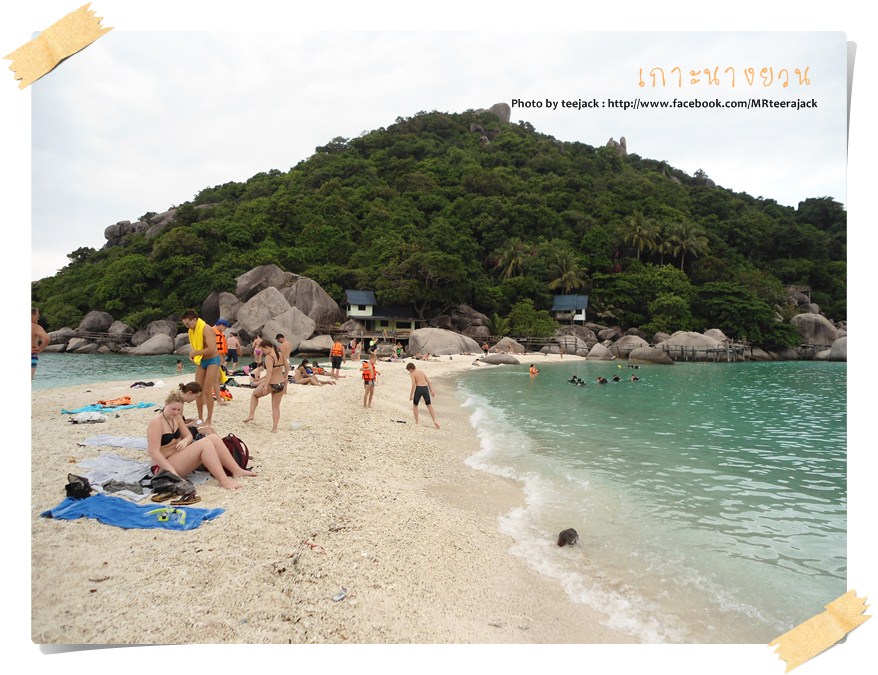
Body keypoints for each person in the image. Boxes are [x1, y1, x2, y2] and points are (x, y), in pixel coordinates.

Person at [147, 391, 255, 491]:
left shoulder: (177, 418)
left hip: (179, 458)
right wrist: (172, 472)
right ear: (166, 404)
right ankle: (224, 482)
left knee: (213, 437)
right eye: (173, 409)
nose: (176, 412)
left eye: (179, 410)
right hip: (163, 467)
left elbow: (188, 435)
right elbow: (153, 452)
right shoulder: (156, 423)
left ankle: (236, 470)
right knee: (205, 444)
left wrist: (185, 441)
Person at [181, 309, 221, 426]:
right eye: (185, 325)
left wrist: (196, 353)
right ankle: (200, 417)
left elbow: (212, 349)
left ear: (194, 320)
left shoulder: (206, 329)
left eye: (188, 324)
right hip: (202, 360)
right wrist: (194, 355)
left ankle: (209, 419)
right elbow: (196, 347)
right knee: (197, 390)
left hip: (212, 360)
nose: (187, 327)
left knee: (207, 390)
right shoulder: (192, 331)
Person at [242, 338, 286, 432]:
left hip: (272, 383)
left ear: (267, 347)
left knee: (255, 395)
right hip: (281, 383)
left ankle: (251, 415)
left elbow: (269, 372)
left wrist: (265, 385)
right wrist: (285, 378)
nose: (263, 352)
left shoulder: (269, 357)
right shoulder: (281, 354)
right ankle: (275, 428)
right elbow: (287, 367)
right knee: (276, 407)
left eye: (263, 350)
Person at [406, 363, 439, 428]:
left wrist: (411, 395)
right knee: (429, 405)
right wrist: (431, 390)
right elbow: (428, 381)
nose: (409, 372)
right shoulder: (421, 371)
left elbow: (413, 385)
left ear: (411, 369)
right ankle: (434, 420)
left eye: (408, 370)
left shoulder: (412, 374)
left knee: (415, 405)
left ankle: (417, 421)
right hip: (425, 389)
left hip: (419, 389)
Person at [31, 307, 51, 381]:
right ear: (32, 316)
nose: (38, 319)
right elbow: (47, 339)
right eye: (37, 316)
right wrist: (41, 348)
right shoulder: (35, 327)